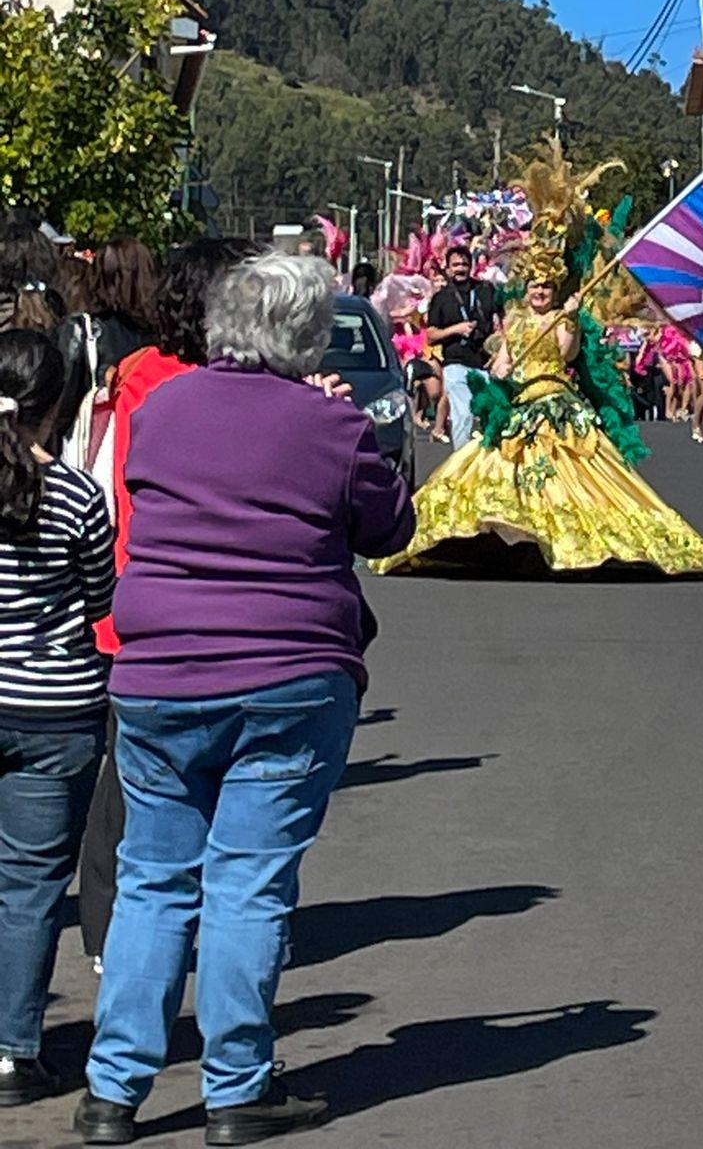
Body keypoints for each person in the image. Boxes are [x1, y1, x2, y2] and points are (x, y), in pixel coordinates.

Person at [78, 253, 414, 1146]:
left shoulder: (162, 409)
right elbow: (387, 525)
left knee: (154, 880)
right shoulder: (328, 425)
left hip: (157, 671)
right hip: (286, 672)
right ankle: (234, 1088)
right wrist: (344, 422)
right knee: (247, 885)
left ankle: (112, 1090)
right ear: (306, 337)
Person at [377, 144, 703, 580]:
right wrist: (493, 385)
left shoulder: (564, 317)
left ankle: (575, 547)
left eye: (546, 287)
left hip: (558, 405)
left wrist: (572, 317)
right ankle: (512, 542)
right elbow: (502, 365)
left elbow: (566, 355)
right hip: (519, 406)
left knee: (574, 479)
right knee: (495, 474)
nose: (540, 292)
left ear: (555, 289)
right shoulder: (518, 320)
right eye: (535, 286)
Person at [75, 239, 256, 971]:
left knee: (129, 783)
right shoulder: (218, 390)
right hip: (202, 610)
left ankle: (112, 933)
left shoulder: (131, 378)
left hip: (131, 602)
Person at [0, 330, 115, 1110]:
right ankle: (14, 1051)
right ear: (57, 406)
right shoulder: (77, 496)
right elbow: (103, 605)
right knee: (31, 886)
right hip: (56, 710)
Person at [56, 238, 162, 473]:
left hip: (94, 457)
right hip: (148, 453)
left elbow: (62, 409)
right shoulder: (165, 336)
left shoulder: (83, 331)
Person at [425, 244, 497, 448]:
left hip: (485, 363)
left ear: (471, 266)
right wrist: (456, 329)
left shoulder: (485, 290)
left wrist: (500, 344)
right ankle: (460, 464)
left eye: (464, 264)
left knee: (489, 415)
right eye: (455, 265)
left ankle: (487, 465)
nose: (460, 269)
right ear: (447, 268)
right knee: (463, 414)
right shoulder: (442, 297)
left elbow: (504, 316)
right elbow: (431, 335)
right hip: (455, 363)